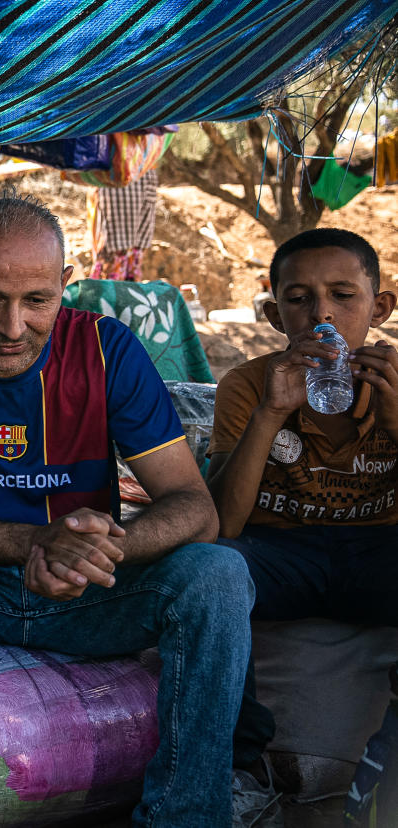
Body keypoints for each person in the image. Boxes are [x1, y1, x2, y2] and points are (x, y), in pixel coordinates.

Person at [0, 195, 254, 828]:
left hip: (90, 590)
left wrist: (96, 551)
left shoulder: (106, 349)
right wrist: (33, 543)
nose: (13, 327)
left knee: (218, 573)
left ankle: (186, 815)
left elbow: (195, 509)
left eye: (37, 300)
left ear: (65, 285)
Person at [206, 228, 398, 827]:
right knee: (206, 571)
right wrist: (271, 410)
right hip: (282, 549)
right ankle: (242, 767)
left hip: (379, 550)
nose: (323, 315)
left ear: (381, 306)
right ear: (272, 312)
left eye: (344, 295)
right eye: (299, 298)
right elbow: (223, 524)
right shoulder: (248, 383)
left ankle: (387, 759)